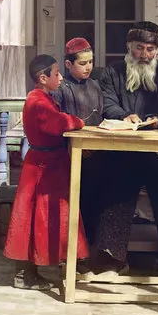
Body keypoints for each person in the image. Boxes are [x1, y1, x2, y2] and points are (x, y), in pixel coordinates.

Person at [92, 21, 158, 276]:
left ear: (157, 51)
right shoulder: (113, 73)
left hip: (157, 149)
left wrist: (157, 120)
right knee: (114, 189)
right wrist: (125, 116)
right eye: (139, 48)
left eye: (150, 49)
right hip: (121, 150)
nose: (144, 55)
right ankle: (111, 258)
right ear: (129, 48)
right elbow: (108, 104)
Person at [4, 54, 89, 290]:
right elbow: (57, 123)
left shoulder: (43, 97)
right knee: (34, 219)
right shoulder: (37, 101)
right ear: (43, 78)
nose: (60, 77)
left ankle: (57, 263)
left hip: (50, 164)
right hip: (42, 168)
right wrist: (77, 121)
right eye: (56, 73)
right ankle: (24, 274)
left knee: (49, 217)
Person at [52, 37, 104, 244]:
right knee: (74, 204)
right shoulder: (61, 89)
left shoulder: (96, 87)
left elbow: (100, 116)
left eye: (90, 62)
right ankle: (71, 251)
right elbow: (58, 122)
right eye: (82, 63)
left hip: (97, 154)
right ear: (68, 64)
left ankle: (91, 248)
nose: (88, 67)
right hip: (71, 154)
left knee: (95, 202)